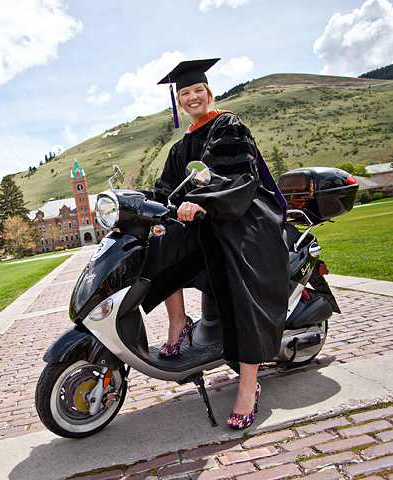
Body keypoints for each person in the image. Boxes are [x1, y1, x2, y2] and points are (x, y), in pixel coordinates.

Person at [138, 58, 289, 429]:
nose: (192, 97)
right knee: (157, 246)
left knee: (237, 285)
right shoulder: (182, 145)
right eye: (185, 93)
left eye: (197, 90)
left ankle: (249, 385)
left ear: (208, 92)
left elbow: (236, 175)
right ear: (178, 101)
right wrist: (136, 206)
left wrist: (203, 201)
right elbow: (166, 189)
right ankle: (178, 321)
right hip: (205, 220)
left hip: (244, 218)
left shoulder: (227, 125)